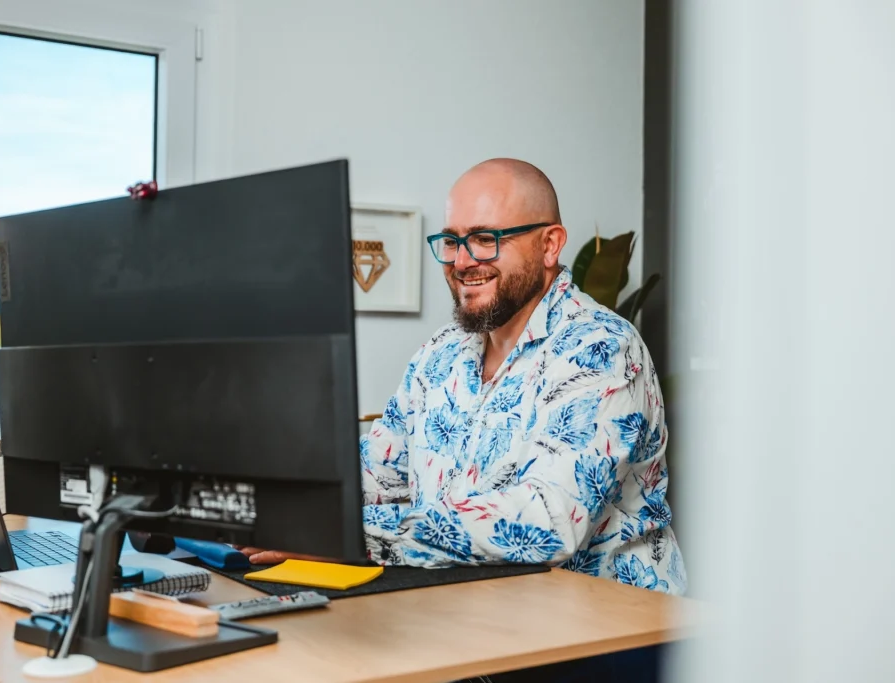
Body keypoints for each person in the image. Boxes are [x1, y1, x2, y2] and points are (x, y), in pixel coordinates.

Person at [245, 158, 686, 598]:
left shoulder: (602, 348)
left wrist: (340, 533)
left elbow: (547, 522)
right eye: (453, 241)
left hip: (605, 632)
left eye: (484, 239)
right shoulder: (442, 351)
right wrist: (268, 509)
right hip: (476, 611)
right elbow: (376, 472)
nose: (461, 261)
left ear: (550, 245)